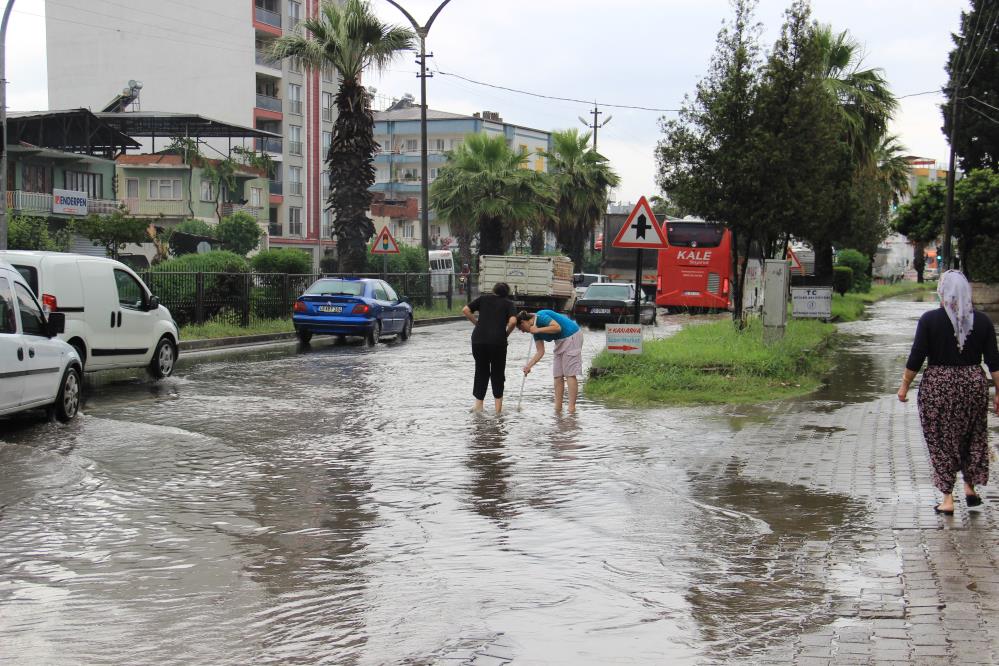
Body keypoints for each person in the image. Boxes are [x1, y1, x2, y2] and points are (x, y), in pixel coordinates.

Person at [897, 270, 999, 515]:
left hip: (938, 386)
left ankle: (947, 499)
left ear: (942, 291)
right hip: (973, 384)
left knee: (941, 440)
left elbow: (917, 356)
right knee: (972, 435)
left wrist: (904, 387)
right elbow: (994, 362)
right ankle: (969, 487)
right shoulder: (983, 321)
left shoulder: (929, 320)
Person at [463, 282, 518, 412]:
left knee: (481, 371)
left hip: (478, 341)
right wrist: (506, 334)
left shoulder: (483, 299)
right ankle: (498, 410)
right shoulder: (509, 303)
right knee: (498, 373)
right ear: (507, 293)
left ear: (494, 290)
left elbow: (465, 310)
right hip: (498, 342)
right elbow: (513, 321)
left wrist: (476, 323)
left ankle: (478, 407)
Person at [517, 309, 584, 414]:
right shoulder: (534, 331)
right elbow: (540, 351)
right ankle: (558, 409)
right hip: (560, 341)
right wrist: (528, 366)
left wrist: (537, 330)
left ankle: (571, 409)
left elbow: (557, 327)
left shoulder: (541, 316)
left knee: (569, 374)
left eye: (521, 328)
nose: (522, 331)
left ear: (523, 322)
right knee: (557, 375)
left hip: (572, 335)